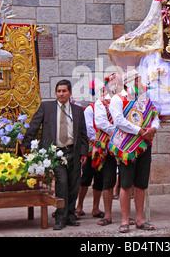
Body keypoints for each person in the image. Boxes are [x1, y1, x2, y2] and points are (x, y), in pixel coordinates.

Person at [20, 79, 88, 230]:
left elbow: (83, 133)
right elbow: (34, 125)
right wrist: (26, 144)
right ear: (55, 93)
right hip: (55, 152)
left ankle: (70, 215)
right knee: (62, 182)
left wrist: (84, 152)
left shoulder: (77, 111)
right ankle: (60, 218)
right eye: (59, 91)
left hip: (73, 152)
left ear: (70, 93)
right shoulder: (47, 107)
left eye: (64, 91)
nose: (61, 94)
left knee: (74, 184)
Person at [108, 69, 160, 233]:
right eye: (138, 80)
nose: (141, 83)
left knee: (141, 184)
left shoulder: (145, 100)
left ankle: (140, 219)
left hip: (144, 145)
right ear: (130, 82)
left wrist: (153, 129)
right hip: (127, 147)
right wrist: (139, 131)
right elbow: (119, 121)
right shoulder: (117, 99)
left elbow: (156, 116)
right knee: (126, 184)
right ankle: (125, 219)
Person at [92, 73, 122, 226]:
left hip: (125, 144)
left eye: (118, 83)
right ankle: (108, 215)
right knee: (108, 179)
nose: (115, 86)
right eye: (112, 83)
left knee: (128, 180)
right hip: (107, 145)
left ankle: (127, 215)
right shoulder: (101, 103)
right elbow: (101, 123)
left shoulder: (126, 101)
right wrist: (120, 132)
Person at [75, 80, 104, 220]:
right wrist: (102, 142)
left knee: (100, 179)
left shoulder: (107, 108)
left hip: (103, 150)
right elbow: (89, 131)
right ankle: (79, 206)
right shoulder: (90, 110)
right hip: (91, 150)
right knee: (86, 178)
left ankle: (95, 208)